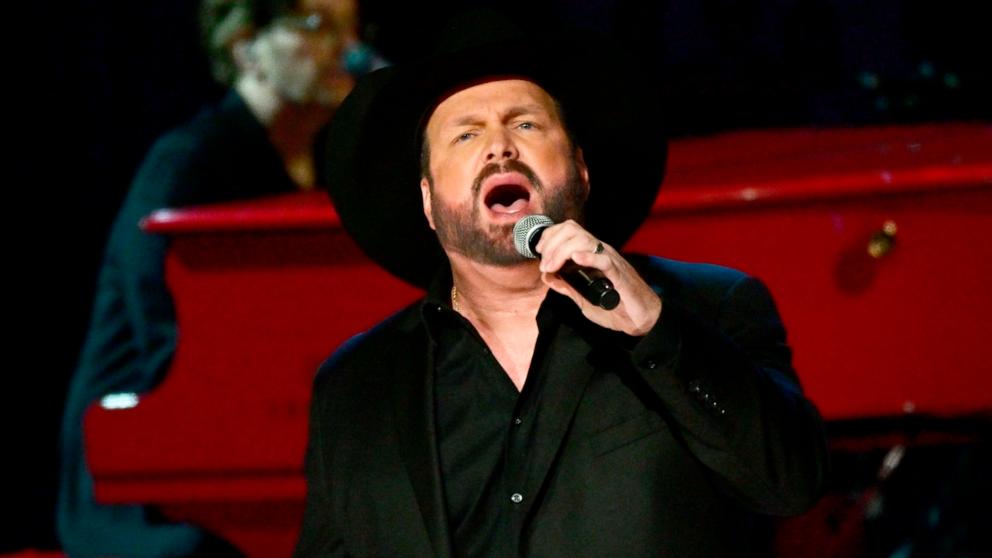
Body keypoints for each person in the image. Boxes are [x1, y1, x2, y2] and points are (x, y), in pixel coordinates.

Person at [296, 12, 828, 558]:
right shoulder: (358, 385)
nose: (499, 147)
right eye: (466, 134)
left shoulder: (711, 308)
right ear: (429, 201)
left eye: (525, 124)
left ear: (579, 169)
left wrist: (653, 328)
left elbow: (790, 484)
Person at [58, 0, 366, 555]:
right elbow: (163, 334)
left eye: (353, 28)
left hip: (271, 433)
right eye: (319, 26)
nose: (351, 49)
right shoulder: (186, 162)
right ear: (245, 46)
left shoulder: (328, 165)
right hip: (145, 471)